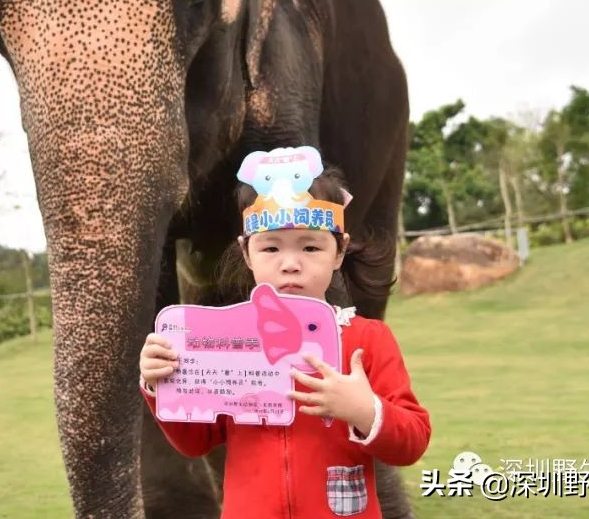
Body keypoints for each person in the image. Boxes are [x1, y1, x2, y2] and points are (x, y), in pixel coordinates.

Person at [139, 147, 431, 518]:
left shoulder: (368, 339)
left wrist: (365, 410)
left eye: (310, 246)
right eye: (271, 248)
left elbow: (412, 442)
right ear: (248, 253)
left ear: (338, 251)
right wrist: (161, 383)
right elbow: (195, 443)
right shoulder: (225, 342)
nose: (290, 264)